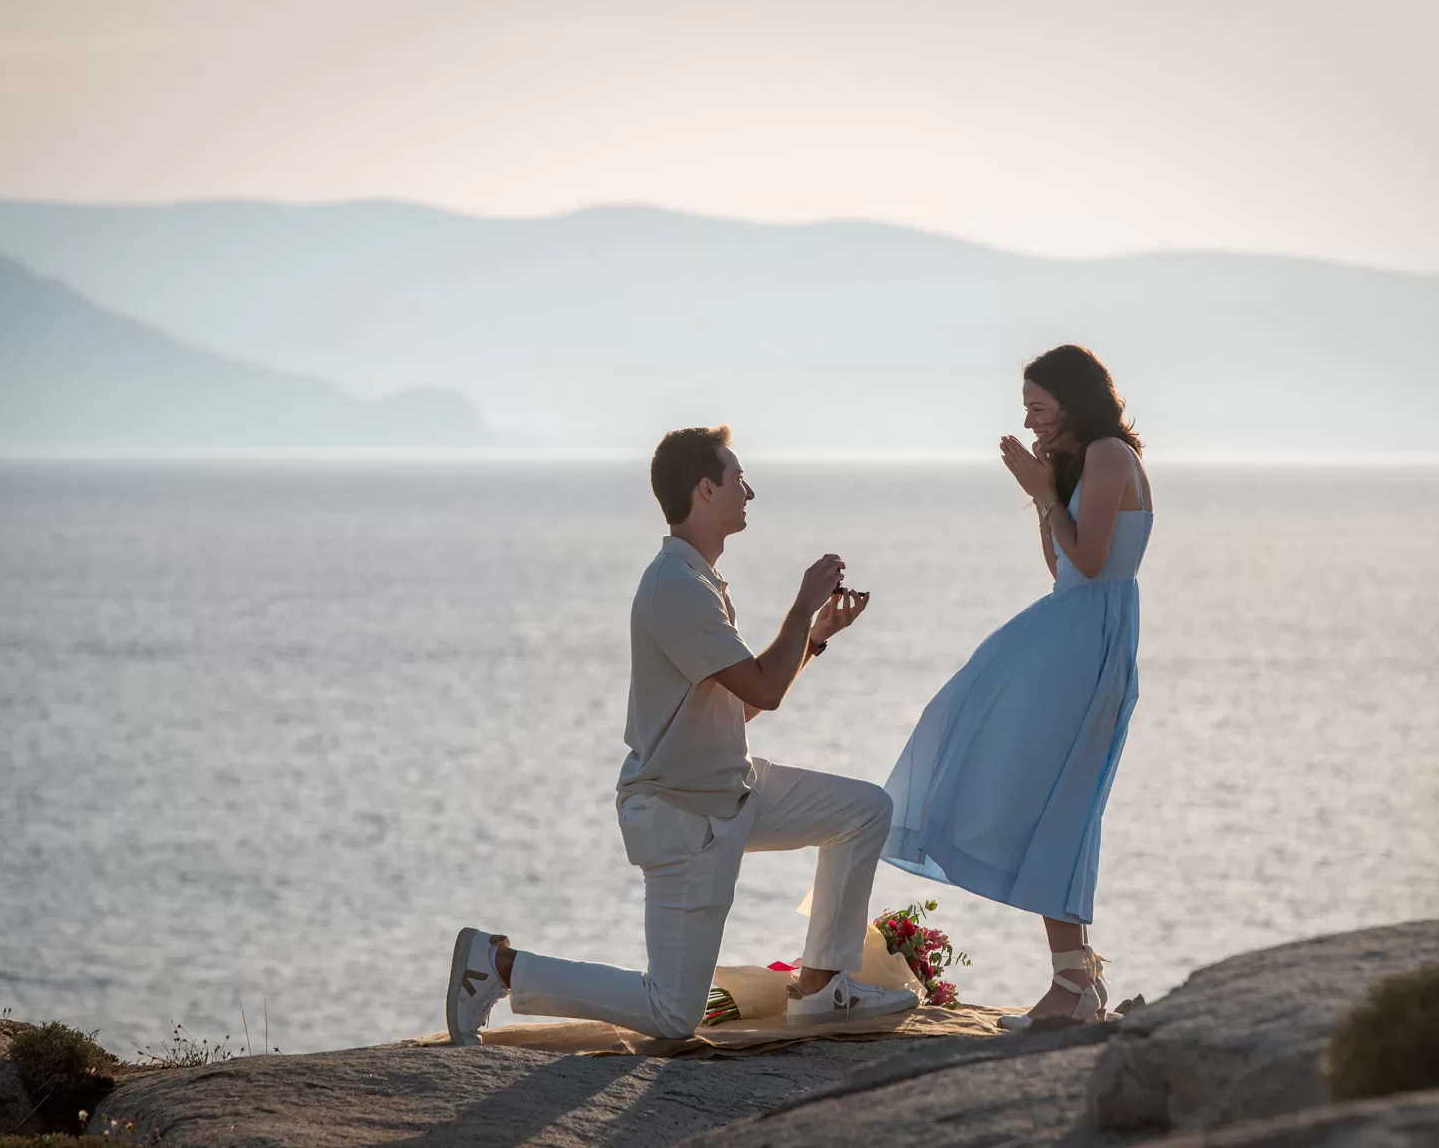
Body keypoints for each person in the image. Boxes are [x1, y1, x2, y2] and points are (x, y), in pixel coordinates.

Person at [445, 425, 918, 1043]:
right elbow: (765, 691)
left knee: (863, 811)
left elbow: (740, 708)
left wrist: (815, 639)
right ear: (704, 489)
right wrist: (801, 608)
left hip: (732, 790)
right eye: (738, 478)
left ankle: (824, 988)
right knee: (673, 1015)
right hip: (683, 817)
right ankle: (496, 966)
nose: (750, 490)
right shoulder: (677, 587)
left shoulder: (698, 582)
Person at [881, 345, 1153, 1028]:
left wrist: (1040, 491)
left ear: (1073, 401)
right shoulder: (1082, 461)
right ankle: (1075, 983)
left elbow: (1088, 565)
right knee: (1036, 794)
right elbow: (1058, 565)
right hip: (1071, 631)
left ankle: (1075, 986)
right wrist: (1046, 493)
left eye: (1039, 408)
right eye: (1026, 409)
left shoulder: (1110, 454)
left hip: (1082, 639)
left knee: (1057, 804)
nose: (1030, 420)